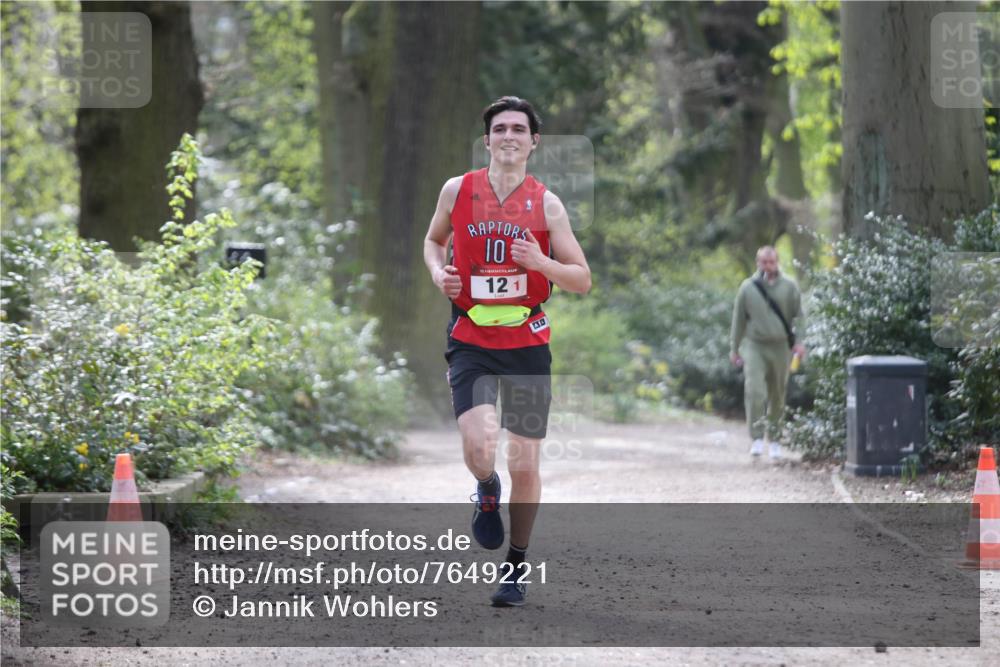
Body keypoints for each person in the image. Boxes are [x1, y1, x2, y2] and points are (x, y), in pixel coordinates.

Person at [423, 96, 591, 606]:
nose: (510, 136)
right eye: (500, 128)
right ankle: (484, 487)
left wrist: (540, 260)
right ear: (488, 139)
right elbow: (432, 242)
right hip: (472, 336)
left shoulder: (548, 204)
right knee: (478, 447)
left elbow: (581, 280)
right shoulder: (458, 190)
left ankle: (515, 568)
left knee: (525, 461)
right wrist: (439, 274)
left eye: (520, 129)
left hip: (526, 344)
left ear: (534, 142)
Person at [729, 246, 806, 459]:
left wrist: (800, 342)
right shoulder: (748, 288)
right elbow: (738, 320)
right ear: (758, 263)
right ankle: (756, 437)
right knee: (754, 390)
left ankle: (775, 439)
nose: (768, 266)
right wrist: (734, 349)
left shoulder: (789, 286)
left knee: (777, 393)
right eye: (763, 262)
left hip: (781, 346)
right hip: (755, 345)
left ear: (777, 262)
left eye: (771, 262)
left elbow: (799, 317)